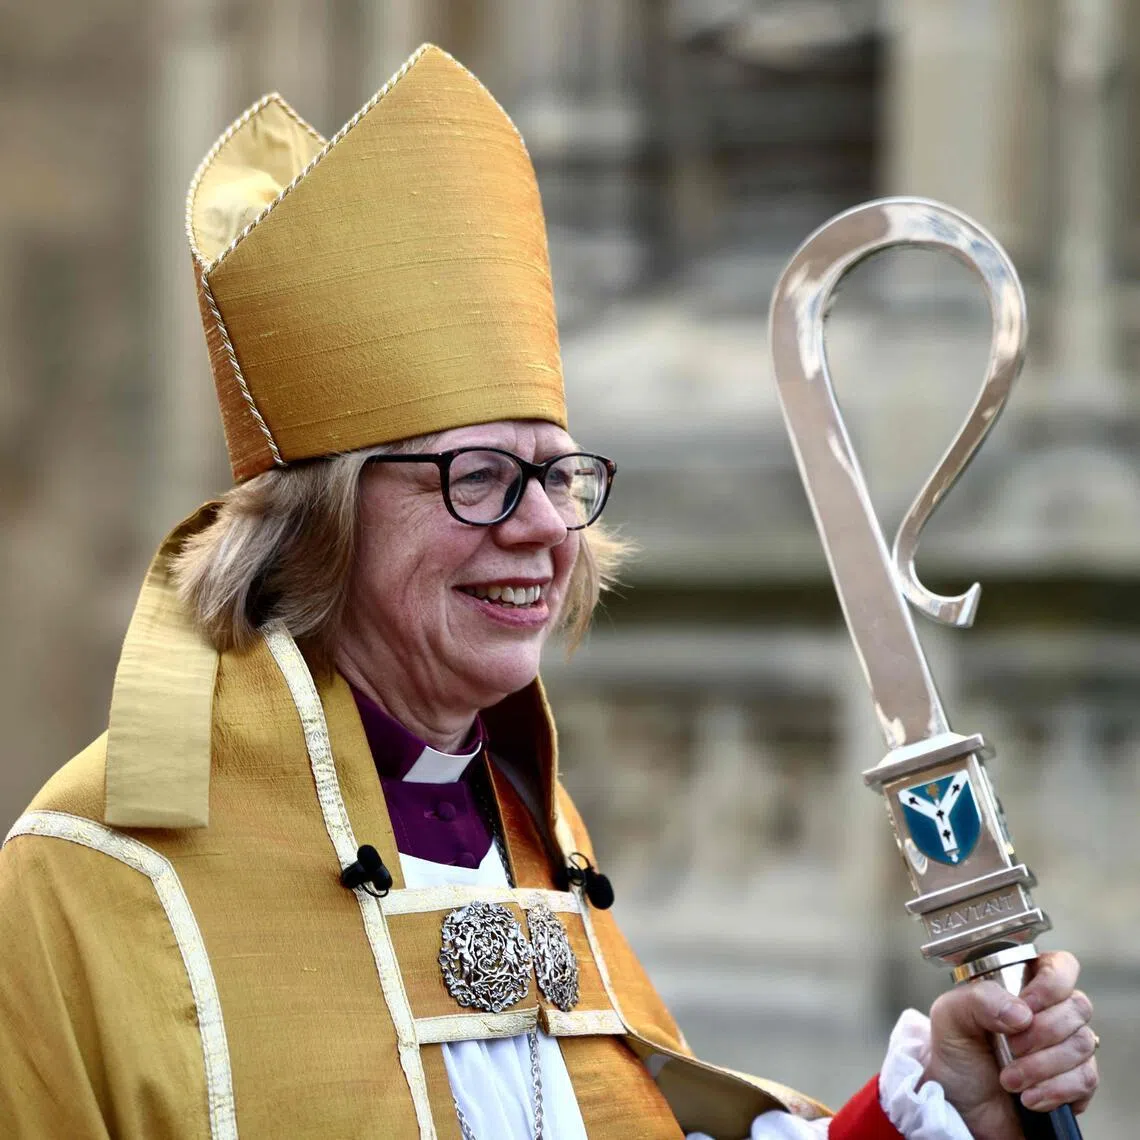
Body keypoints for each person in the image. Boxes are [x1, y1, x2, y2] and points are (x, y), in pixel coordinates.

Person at [0, 44, 1097, 1140]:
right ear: (320, 516)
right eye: (478, 477)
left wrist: (939, 1112)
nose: (541, 528)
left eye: (560, 475)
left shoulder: (531, 827)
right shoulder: (96, 876)